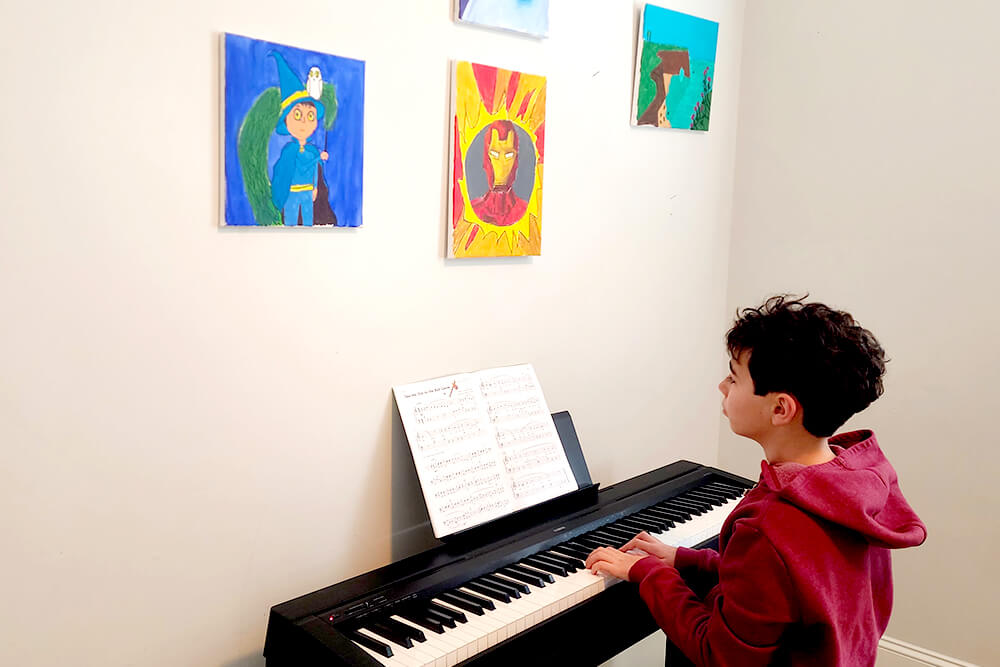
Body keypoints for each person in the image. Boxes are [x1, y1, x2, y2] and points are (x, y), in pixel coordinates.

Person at [585, 295, 927, 666]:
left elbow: (718, 654)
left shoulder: (769, 527)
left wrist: (647, 572)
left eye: (734, 377)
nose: (721, 386)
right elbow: (790, 585)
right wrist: (687, 560)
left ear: (780, 409)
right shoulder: (853, 484)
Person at [269, 52, 329, 227]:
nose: (304, 122)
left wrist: (315, 187)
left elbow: (314, 169)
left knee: (308, 221)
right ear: (286, 122)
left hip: (308, 193)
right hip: (292, 193)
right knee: (291, 222)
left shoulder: (312, 151)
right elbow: (283, 171)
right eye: (297, 114)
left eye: (310, 115)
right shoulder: (288, 151)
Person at [469, 120, 529, 226]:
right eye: (494, 154)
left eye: (509, 155)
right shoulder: (473, 211)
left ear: (516, 160)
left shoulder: (525, 212)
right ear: (486, 158)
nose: (502, 164)